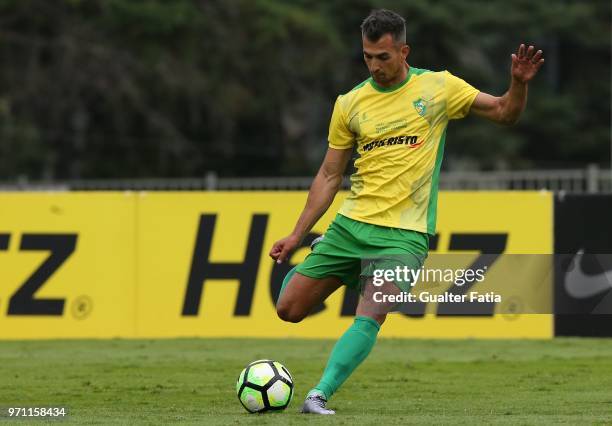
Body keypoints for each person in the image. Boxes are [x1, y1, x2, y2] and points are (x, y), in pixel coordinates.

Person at [269, 8, 544, 415]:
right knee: (288, 311)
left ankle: (318, 395)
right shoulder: (350, 103)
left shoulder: (438, 88)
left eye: (383, 57)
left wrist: (517, 85)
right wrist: (296, 234)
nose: (375, 66)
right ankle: (336, 259)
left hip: (404, 235)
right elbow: (329, 175)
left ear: (403, 51)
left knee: (372, 312)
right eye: (367, 57)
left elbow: (505, 112)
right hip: (350, 227)